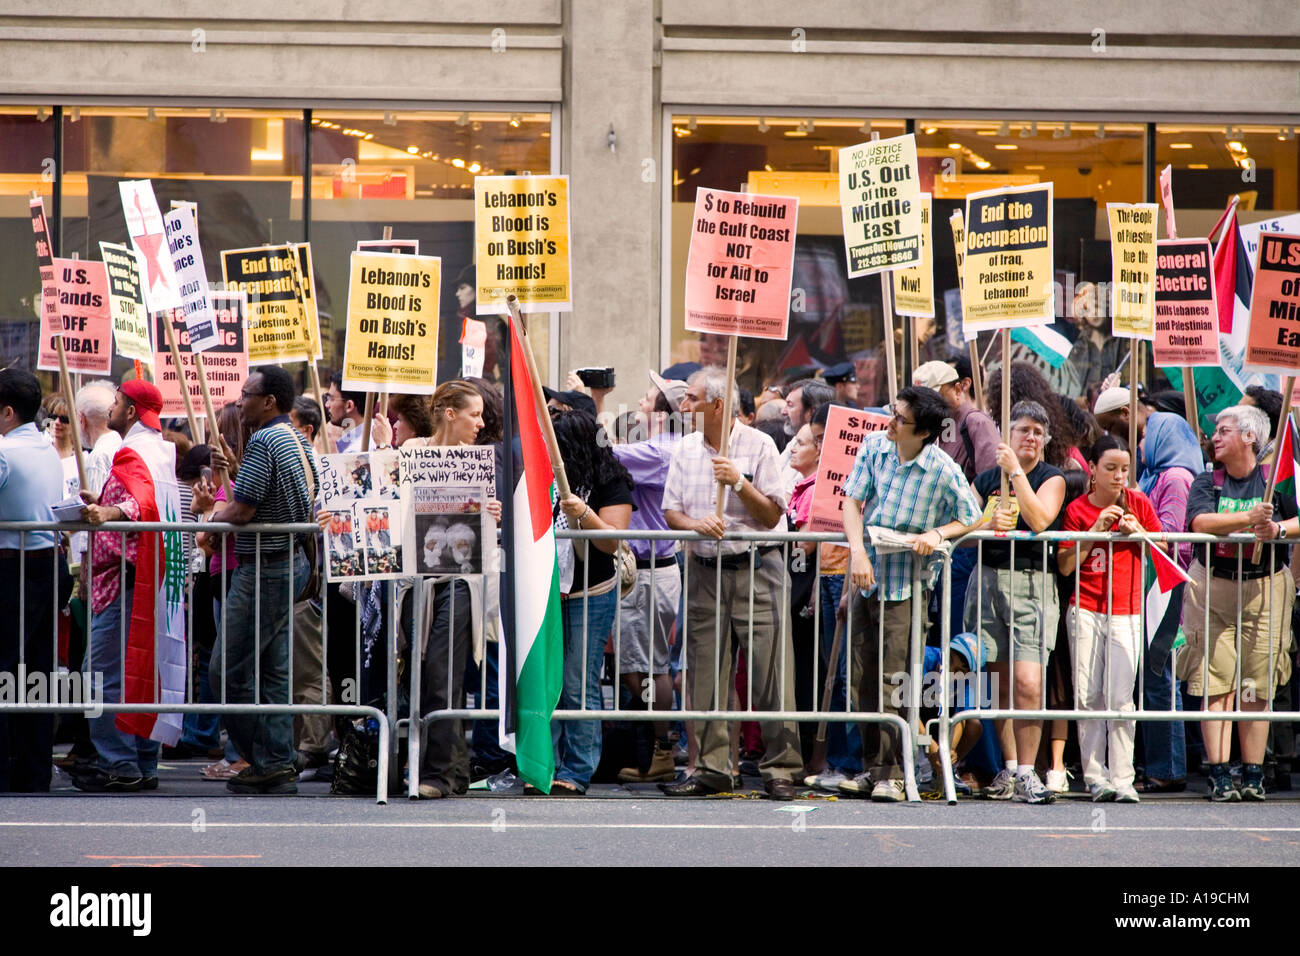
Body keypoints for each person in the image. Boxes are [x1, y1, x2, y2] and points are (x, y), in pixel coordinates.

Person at [661, 366, 802, 800]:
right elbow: (671, 512)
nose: (683, 406)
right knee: (705, 676)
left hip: (757, 570)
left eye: (692, 399)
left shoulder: (759, 444)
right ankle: (714, 768)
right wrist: (695, 524)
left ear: (717, 405)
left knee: (771, 675)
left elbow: (773, 515)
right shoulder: (684, 448)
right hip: (704, 573)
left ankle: (781, 768)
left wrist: (738, 483)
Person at [841, 386, 981, 801]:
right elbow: (852, 501)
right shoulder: (874, 447)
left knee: (894, 677)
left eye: (899, 418)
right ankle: (873, 765)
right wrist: (857, 553)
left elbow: (971, 515)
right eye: (891, 412)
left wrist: (937, 534)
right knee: (862, 678)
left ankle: (896, 770)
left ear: (922, 432)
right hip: (868, 577)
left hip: (909, 583)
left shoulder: (940, 467)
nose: (890, 421)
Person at [208, 366, 318, 794]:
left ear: (268, 401)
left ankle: (264, 757)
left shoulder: (264, 439)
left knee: (226, 670)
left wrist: (213, 517)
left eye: (246, 393)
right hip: (290, 563)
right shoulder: (294, 437)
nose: (240, 400)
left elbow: (243, 510)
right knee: (274, 672)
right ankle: (275, 760)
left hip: (267, 568)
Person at [1182, 404, 1296, 802]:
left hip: (1265, 589)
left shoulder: (1276, 482)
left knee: (1255, 683)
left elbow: (1296, 520)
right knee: (1216, 682)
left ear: (1250, 437)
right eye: (1216, 431)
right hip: (1213, 588)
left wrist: (1277, 527)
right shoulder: (1206, 480)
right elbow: (1199, 523)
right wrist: (1248, 519)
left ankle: (1252, 773)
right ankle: (1219, 772)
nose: (1215, 437)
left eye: (1224, 430)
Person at [74, 380, 178, 792]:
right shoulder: (160, 450)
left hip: (125, 583)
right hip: (148, 581)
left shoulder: (135, 452)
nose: (112, 408)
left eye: (117, 402)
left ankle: (119, 764)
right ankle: (142, 763)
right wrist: (101, 501)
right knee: (141, 673)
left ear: (131, 411)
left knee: (99, 674)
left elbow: (139, 504)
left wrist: (110, 510)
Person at [966, 399, 1067, 804]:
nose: (1031, 437)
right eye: (1024, 429)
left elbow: (1041, 518)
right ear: (1008, 434)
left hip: (1032, 582)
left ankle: (1029, 771)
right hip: (988, 580)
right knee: (1001, 681)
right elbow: (964, 524)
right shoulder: (984, 479)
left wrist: (1016, 473)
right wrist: (986, 523)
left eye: (1038, 432)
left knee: (1028, 681)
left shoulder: (1051, 477)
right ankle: (1009, 770)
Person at [1057, 435, 1162, 803]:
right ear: (1093, 469)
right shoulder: (1078, 510)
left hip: (1127, 609)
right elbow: (1066, 563)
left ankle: (1123, 777)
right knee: (1088, 694)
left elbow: (1164, 548)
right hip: (1085, 606)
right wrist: (1095, 530)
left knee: (1120, 696)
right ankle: (1094, 776)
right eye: (1111, 468)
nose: (1119, 476)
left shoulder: (1139, 503)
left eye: (1125, 469)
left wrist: (1141, 533)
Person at [546, 409, 634, 795]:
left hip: (591, 592)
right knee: (546, 682)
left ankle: (577, 771)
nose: (555, 456)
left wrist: (584, 514)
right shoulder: (542, 478)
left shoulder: (610, 481)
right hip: (547, 591)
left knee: (579, 682)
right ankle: (542, 764)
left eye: (560, 449)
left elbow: (611, 541)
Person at [612, 370, 686, 784]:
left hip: (650, 570)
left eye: (646, 398)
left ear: (662, 411)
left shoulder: (659, 450)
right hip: (650, 570)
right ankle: (661, 747)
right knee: (642, 663)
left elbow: (604, 455)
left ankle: (662, 750)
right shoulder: (661, 447)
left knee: (650, 666)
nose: (639, 403)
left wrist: (597, 402)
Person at [0, 370, 69, 792]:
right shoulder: (46, 448)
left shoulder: (6, 451)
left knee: (6, 669)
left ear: (7, 412)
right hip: (46, 566)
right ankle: (33, 769)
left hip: (13, 568)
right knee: (36, 674)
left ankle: (8, 769)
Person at [1135, 411, 1204, 792]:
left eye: (1146, 435)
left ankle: (1168, 768)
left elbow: (1171, 538)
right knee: (1152, 677)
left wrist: (1135, 528)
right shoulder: (1156, 475)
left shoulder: (1176, 478)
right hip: (1148, 587)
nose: (1141, 443)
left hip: (1164, 587)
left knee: (1160, 678)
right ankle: (1158, 763)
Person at [325, 371, 369, 452]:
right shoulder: (374, 437)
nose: (327, 405)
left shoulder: (354, 452)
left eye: (331, 399)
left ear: (349, 406)